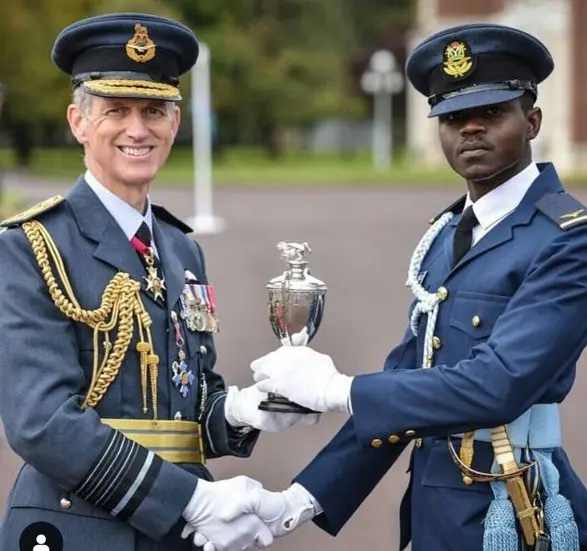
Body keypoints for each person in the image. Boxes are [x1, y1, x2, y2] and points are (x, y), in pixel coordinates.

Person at [201, 22, 587, 551]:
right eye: (452, 118)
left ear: (533, 120)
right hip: (435, 510)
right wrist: (299, 500)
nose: (470, 130)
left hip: (517, 509)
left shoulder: (567, 238)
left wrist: (339, 390)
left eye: (492, 113)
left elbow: (500, 385)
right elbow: (408, 381)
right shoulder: (448, 233)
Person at [0, 13, 317, 551]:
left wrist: (243, 410)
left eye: (154, 110)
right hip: (81, 527)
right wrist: (191, 502)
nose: (137, 129)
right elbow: (42, 423)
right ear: (78, 121)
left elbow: (186, 404)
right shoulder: (30, 246)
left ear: (175, 123)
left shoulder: (181, 247)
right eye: (116, 111)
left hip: (182, 533)